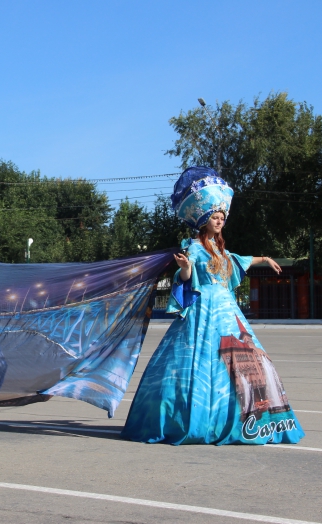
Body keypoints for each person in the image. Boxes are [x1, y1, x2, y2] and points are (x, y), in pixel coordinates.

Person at [121, 167, 304, 445]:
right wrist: (184, 268)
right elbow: (186, 278)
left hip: (227, 310)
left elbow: (239, 260)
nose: (219, 222)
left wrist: (264, 258)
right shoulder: (193, 248)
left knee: (245, 359)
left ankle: (248, 416)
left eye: (222, 218)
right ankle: (194, 419)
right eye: (215, 218)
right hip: (202, 312)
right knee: (198, 364)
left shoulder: (221, 250)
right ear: (204, 219)